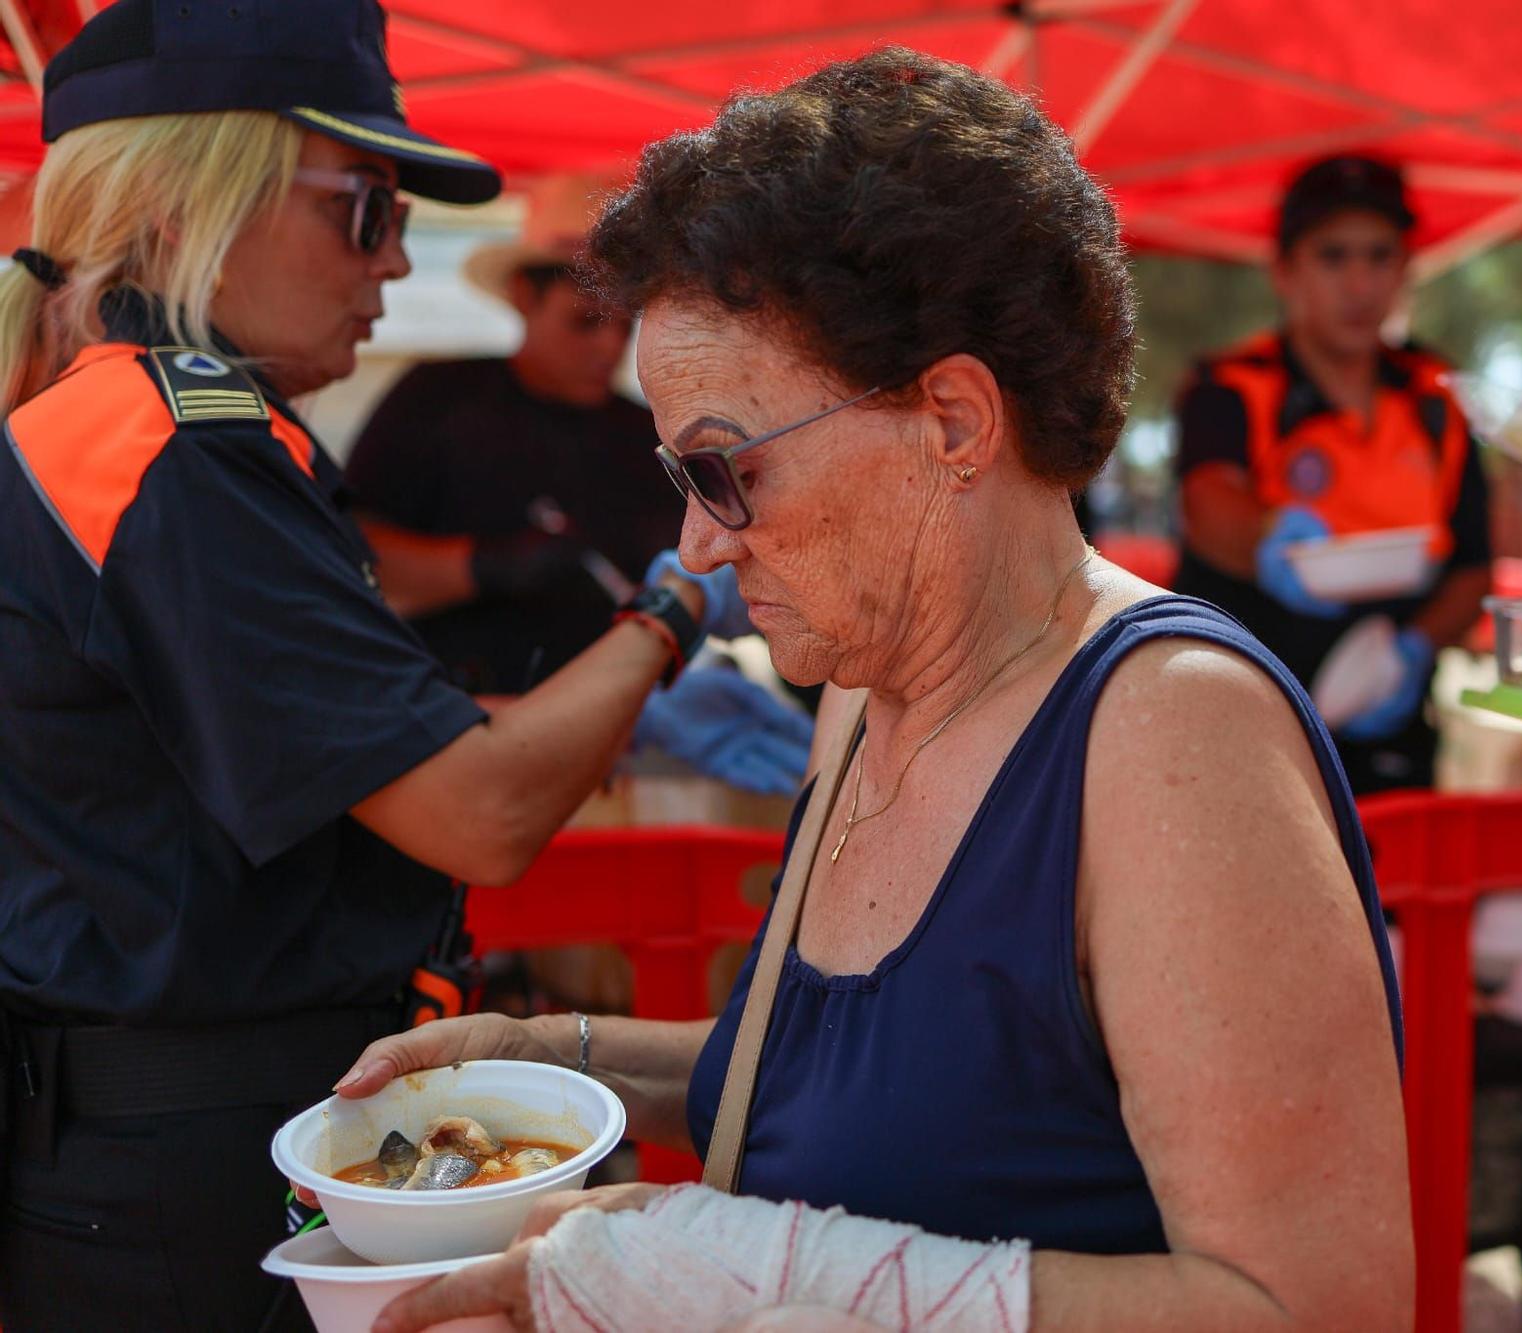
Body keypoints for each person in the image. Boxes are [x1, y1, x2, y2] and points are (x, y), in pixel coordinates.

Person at [315, 48, 1412, 1331]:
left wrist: (770, 1272)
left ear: (952, 420)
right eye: (678, 480)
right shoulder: (861, 686)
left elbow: (1320, 1305)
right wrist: (554, 1055)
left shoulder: (1173, 732)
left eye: (722, 470)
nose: (697, 547)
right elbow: (869, 1083)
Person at [0, 3, 752, 1328]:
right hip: (191, 1170)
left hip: (177, 1139)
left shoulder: (141, 432)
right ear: (188, 204)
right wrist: (674, 607)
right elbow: (481, 814)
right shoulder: (171, 454)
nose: (397, 260)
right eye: (365, 209)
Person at [1173, 155, 1493, 796]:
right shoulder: (1233, 384)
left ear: (1405, 269)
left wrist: (1415, 649)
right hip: (1239, 724)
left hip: (1393, 738)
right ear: (1284, 272)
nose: (1360, 284)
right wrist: (1269, 539)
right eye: (1333, 257)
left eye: (1380, 257)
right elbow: (1206, 503)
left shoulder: (1439, 397)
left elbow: (1474, 569)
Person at [345, 175, 689, 697]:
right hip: (443, 703)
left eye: (625, 326)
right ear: (525, 294)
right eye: (586, 321)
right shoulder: (439, 398)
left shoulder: (648, 432)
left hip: (607, 712)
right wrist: (488, 565)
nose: (610, 348)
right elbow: (351, 554)